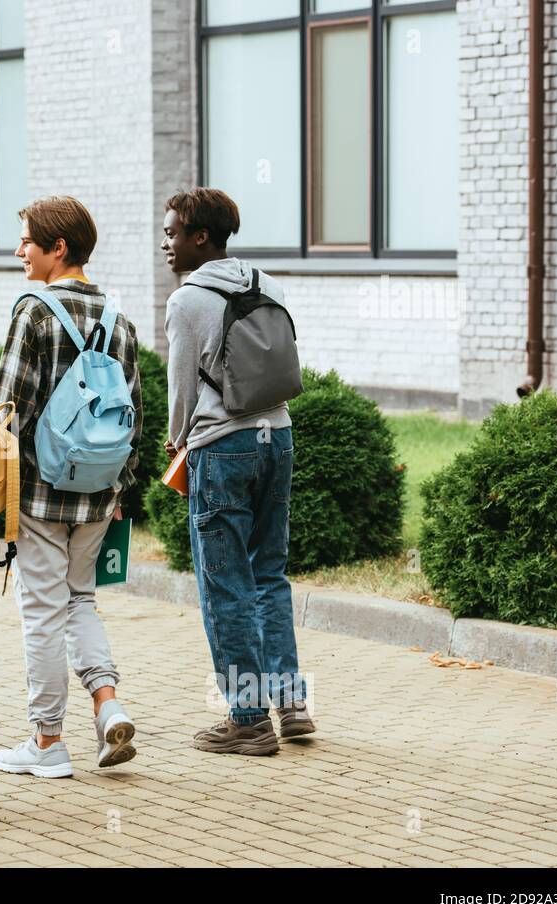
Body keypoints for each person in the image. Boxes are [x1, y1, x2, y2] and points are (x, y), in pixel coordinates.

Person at [0, 196, 143, 778]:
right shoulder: (119, 320)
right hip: (100, 491)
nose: (18, 251)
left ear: (58, 248)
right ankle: (108, 706)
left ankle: (48, 740)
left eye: (27, 241)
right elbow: (136, 414)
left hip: (39, 495)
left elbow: (7, 414)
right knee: (81, 600)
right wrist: (119, 489)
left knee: (43, 613)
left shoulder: (34, 313)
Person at [160, 186, 315, 756]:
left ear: (201, 237)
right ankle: (291, 702)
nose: (166, 243)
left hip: (223, 446)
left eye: (173, 232)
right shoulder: (265, 283)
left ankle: (248, 719)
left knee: (225, 583)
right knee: (269, 574)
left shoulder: (187, 300)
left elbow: (181, 386)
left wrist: (177, 442)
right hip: (279, 436)